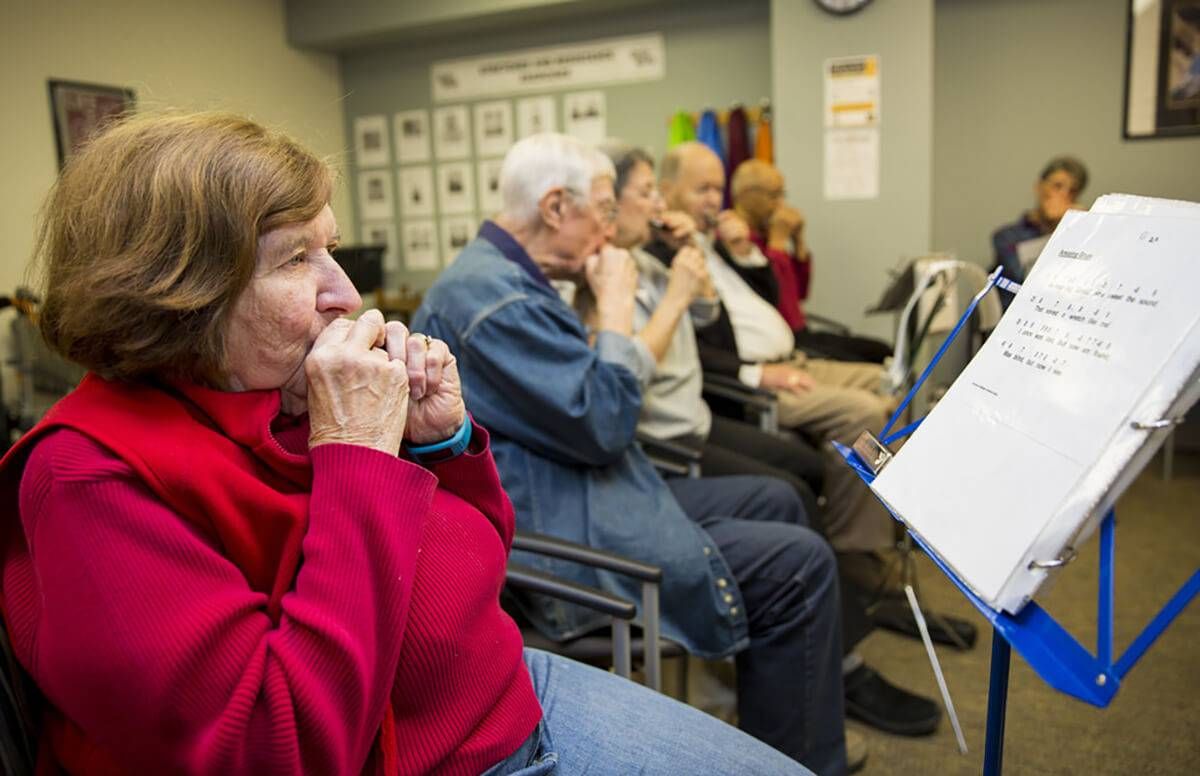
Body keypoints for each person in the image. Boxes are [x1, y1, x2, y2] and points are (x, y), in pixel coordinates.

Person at [0, 111, 811, 776]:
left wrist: (439, 446)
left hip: (508, 693)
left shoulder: (270, 389)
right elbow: (282, 747)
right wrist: (356, 457)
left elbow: (479, 570)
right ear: (175, 292)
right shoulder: (88, 478)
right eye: (296, 260)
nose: (345, 292)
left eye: (333, 249)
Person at [413, 132, 851, 774]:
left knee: (776, 498)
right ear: (556, 208)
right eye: (603, 210)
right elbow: (605, 421)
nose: (612, 230)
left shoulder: (506, 276)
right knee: (799, 566)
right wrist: (617, 305)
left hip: (586, 488)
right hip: (560, 525)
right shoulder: (493, 297)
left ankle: (760, 716)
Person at [601, 141, 941, 741]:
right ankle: (834, 641)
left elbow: (757, 311)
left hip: (713, 404)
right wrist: (703, 287)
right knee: (796, 481)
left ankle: (848, 593)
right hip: (696, 419)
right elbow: (657, 370)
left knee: (813, 465)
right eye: (664, 190)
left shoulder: (681, 246)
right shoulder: (627, 264)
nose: (711, 200)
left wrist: (730, 254)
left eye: (717, 189)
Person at [730, 159, 891, 364]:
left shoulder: (767, 236)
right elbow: (775, 300)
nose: (781, 204)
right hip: (785, 340)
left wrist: (798, 242)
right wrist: (778, 244)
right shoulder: (739, 242)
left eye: (782, 195)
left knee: (882, 349)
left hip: (801, 331)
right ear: (747, 196)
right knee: (874, 360)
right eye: (774, 195)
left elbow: (802, 293)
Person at [992, 156, 1089, 289]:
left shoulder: (1076, 232)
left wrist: (1081, 225)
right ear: (1039, 187)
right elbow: (1025, 277)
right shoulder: (1006, 237)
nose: (1064, 195)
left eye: (1072, 191)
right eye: (1057, 186)